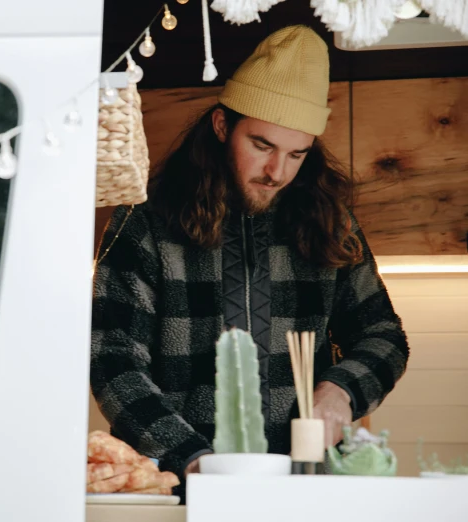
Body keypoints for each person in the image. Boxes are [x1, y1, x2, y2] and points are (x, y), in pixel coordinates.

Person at [90, 25, 409, 494]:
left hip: (305, 490)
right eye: (261, 145)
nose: (277, 172)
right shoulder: (145, 220)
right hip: (181, 490)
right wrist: (194, 461)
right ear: (222, 126)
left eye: (296, 153)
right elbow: (111, 359)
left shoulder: (329, 221)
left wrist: (341, 391)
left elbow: (384, 335)